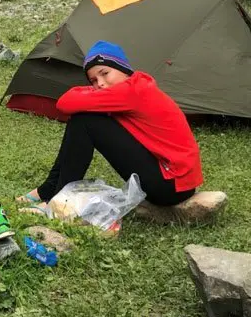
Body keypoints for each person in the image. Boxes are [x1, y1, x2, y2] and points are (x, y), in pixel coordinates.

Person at [18, 40, 202, 207]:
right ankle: (48, 190)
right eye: (94, 81)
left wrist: (90, 91)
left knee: (85, 122)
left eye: (105, 73)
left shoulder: (130, 92)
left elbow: (64, 103)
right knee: (83, 119)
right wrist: (93, 90)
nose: (101, 83)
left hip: (171, 185)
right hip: (175, 182)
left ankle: (58, 201)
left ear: (124, 69)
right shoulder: (133, 87)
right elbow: (68, 101)